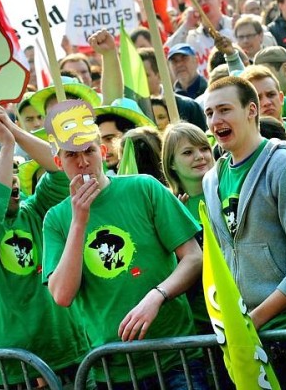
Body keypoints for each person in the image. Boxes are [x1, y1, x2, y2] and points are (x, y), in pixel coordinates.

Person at [43, 100, 205, 389]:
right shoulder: (56, 219)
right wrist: (79, 221)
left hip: (176, 356)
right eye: (71, 155)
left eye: (89, 151)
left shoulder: (144, 188)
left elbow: (193, 257)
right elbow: (62, 295)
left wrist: (157, 296)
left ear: (103, 153)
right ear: (58, 162)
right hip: (113, 369)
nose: (82, 162)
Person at [202, 77, 286, 378]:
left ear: (251, 110)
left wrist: (253, 320)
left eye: (224, 110)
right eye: (209, 113)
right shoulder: (211, 180)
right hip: (248, 340)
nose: (215, 120)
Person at [0, 98, 88, 387]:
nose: (11, 179)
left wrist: (12, 132)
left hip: (71, 354)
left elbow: (57, 168)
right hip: (16, 369)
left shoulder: (36, 211)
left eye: (13, 170)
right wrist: (4, 149)